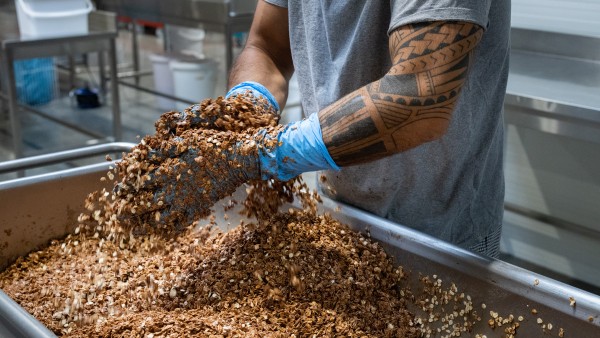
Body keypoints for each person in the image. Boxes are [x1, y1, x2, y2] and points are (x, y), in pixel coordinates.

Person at [214, 0, 510, 257]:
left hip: (439, 232)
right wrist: (247, 106)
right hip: (337, 215)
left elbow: (421, 96)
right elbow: (267, 46)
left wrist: (277, 152)